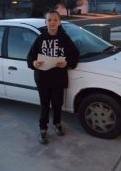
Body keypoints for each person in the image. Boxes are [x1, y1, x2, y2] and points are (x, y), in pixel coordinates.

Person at [27, 10, 79, 144]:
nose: (52, 22)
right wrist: (34, 63)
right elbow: (30, 56)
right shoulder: (40, 38)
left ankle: (57, 123)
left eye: (55, 19)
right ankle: (43, 129)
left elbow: (75, 55)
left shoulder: (64, 38)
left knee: (57, 104)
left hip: (58, 78)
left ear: (59, 22)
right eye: (49, 20)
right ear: (46, 22)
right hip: (43, 78)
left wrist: (67, 62)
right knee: (44, 105)